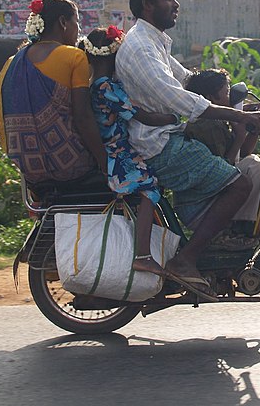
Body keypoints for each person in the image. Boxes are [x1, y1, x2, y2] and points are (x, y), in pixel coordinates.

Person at [115, 0, 260, 298]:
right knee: (240, 183)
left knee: (233, 167)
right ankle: (187, 259)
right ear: (147, 4)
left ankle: (222, 245)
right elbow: (178, 97)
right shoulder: (140, 46)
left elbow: (188, 80)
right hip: (161, 146)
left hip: (170, 137)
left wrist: (235, 98)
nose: (175, 4)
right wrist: (228, 112)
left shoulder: (155, 42)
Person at [78, 25, 182, 277]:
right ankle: (142, 255)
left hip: (117, 148)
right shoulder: (107, 88)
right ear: (115, 57)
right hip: (118, 153)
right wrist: (174, 117)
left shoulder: (98, 85)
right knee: (150, 189)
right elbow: (142, 115)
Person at [0, 0, 107, 191]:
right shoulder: (74, 56)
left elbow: (1, 121)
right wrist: (106, 164)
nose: (78, 31)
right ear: (63, 23)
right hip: (72, 167)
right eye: (76, 23)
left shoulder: (11, 62)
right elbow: (83, 118)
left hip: (29, 172)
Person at [183, 68, 260, 238]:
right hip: (200, 205)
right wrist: (240, 136)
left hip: (210, 193)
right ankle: (237, 230)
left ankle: (238, 225)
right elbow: (223, 170)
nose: (231, 97)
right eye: (227, 92)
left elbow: (243, 153)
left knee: (251, 162)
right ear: (211, 98)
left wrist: (253, 130)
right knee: (253, 164)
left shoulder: (218, 120)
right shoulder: (207, 125)